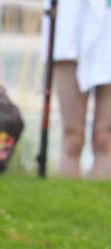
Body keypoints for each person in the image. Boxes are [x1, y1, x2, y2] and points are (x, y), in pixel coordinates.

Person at [51, 0, 111, 178]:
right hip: (68, 35)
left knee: (105, 137)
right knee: (73, 137)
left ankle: (99, 202)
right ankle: (69, 202)